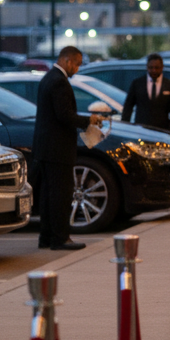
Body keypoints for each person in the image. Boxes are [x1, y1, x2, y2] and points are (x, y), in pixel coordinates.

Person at [32, 46, 104, 251]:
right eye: (77, 64)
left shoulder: (48, 78)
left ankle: (46, 237)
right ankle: (60, 238)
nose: (78, 69)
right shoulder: (59, 82)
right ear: (67, 60)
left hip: (45, 147)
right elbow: (64, 115)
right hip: (58, 148)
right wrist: (88, 120)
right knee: (61, 195)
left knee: (48, 194)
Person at [121, 53, 170, 134]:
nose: (154, 71)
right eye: (151, 68)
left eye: (157, 68)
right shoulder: (137, 84)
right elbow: (128, 108)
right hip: (141, 130)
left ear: (162, 67)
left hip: (162, 131)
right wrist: (125, 128)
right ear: (147, 67)